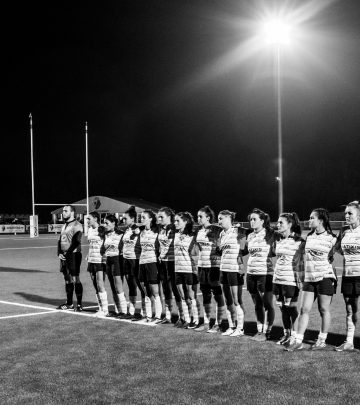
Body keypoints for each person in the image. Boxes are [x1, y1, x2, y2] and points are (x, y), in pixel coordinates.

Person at [286, 208, 337, 351]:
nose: (309, 220)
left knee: (323, 309)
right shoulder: (309, 237)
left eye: (312, 218)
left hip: (325, 277)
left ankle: (321, 340)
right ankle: (298, 341)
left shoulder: (332, 238)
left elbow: (336, 253)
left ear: (320, 221)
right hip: (309, 278)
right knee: (304, 309)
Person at [243, 208, 276, 341]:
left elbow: (275, 250)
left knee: (267, 303)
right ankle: (259, 330)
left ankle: (268, 331)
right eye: (250, 219)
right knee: (257, 303)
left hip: (265, 273)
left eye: (254, 219)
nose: (251, 221)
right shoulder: (250, 236)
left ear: (262, 221)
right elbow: (246, 251)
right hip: (251, 273)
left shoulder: (270, 234)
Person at [273, 213, 305, 345]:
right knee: (282, 308)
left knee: (291, 308)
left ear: (290, 224)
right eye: (278, 222)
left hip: (291, 280)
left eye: (281, 223)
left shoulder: (299, 241)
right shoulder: (278, 239)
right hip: (277, 278)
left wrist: (301, 278)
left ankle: (294, 335)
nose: (278, 225)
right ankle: (286, 334)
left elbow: (303, 261)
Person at [194, 205, 226, 333]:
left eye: (201, 216)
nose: (198, 218)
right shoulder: (199, 230)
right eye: (198, 216)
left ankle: (219, 324)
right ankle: (207, 323)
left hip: (214, 266)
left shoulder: (217, 229)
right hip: (202, 266)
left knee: (217, 294)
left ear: (208, 217)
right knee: (206, 294)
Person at [334, 200, 360, 351]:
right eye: (346, 213)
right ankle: (349, 341)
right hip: (349, 275)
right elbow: (338, 248)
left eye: (350, 213)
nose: (347, 215)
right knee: (350, 308)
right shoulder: (344, 230)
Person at [217, 210, 247, 337]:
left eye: (221, 218)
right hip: (223, 269)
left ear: (229, 218)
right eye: (218, 219)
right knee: (228, 299)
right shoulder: (221, 233)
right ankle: (231, 326)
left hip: (234, 270)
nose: (219, 221)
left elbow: (244, 249)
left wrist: (239, 261)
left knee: (236, 300)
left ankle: (240, 329)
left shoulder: (238, 231)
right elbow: (220, 251)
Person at [174, 212, 200, 329]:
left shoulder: (193, 236)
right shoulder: (175, 234)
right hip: (177, 269)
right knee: (183, 296)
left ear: (185, 222)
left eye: (177, 221)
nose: (175, 223)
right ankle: (186, 319)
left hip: (189, 269)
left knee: (191, 295)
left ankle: (196, 319)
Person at [157, 207, 182, 324]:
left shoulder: (175, 228)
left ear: (169, 217)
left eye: (161, 216)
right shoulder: (161, 229)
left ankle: (182, 316)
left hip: (173, 261)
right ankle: (168, 316)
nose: (159, 218)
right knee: (166, 288)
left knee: (176, 289)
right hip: (163, 262)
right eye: (158, 216)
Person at [57, 205, 83, 311]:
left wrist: (68, 253)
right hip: (64, 256)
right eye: (63, 211)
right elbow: (60, 240)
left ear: (72, 212)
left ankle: (80, 304)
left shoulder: (77, 225)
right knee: (67, 279)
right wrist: (59, 252)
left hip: (74, 255)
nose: (63, 213)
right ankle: (69, 303)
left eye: (65, 211)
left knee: (75, 278)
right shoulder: (64, 225)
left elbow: (76, 241)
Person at [121, 206, 145, 320]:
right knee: (131, 285)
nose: (123, 221)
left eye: (125, 219)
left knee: (141, 286)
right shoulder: (126, 230)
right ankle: (131, 311)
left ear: (132, 219)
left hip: (135, 260)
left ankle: (145, 312)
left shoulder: (139, 229)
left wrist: (137, 231)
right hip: (126, 260)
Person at [138, 210, 162, 323]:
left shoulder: (157, 232)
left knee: (155, 291)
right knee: (145, 290)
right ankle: (148, 315)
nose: (141, 219)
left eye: (143, 217)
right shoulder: (141, 232)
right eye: (141, 217)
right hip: (142, 263)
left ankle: (158, 315)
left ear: (150, 219)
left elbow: (159, 249)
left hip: (152, 263)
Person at [103, 214, 127, 316]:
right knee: (112, 286)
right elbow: (103, 247)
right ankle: (118, 310)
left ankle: (124, 311)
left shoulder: (121, 234)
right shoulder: (106, 234)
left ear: (113, 223)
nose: (105, 225)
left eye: (106, 223)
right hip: (108, 260)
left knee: (118, 285)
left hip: (118, 259)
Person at [86, 212, 108, 316]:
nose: (87, 221)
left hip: (99, 260)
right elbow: (91, 244)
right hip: (91, 260)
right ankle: (100, 308)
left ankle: (105, 310)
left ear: (95, 219)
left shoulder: (102, 229)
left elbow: (106, 244)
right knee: (95, 285)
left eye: (89, 219)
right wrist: (88, 254)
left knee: (100, 284)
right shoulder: (90, 230)